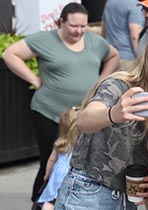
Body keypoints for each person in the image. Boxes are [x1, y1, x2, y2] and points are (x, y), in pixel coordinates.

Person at [54, 32, 148, 210]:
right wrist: (114, 114)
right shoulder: (119, 85)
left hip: (127, 198)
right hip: (89, 192)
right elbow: (83, 121)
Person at [1, 3, 119, 209]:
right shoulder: (44, 39)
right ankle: (39, 203)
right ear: (60, 22)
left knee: (81, 161)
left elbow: (113, 56)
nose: (79, 31)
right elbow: (10, 54)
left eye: (83, 26)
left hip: (83, 117)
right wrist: (35, 80)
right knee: (51, 160)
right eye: (74, 26)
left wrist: (101, 81)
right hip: (50, 111)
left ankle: (68, 202)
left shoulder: (94, 41)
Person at [37, 106, 81, 210]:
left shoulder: (60, 142)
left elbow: (51, 160)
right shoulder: (80, 143)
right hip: (70, 174)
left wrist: (47, 175)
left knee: (51, 200)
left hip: (57, 175)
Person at [102, 0, 145, 71]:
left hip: (109, 58)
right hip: (128, 60)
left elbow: (103, 30)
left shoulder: (109, 2)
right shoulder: (135, 5)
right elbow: (135, 36)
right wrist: (141, 60)